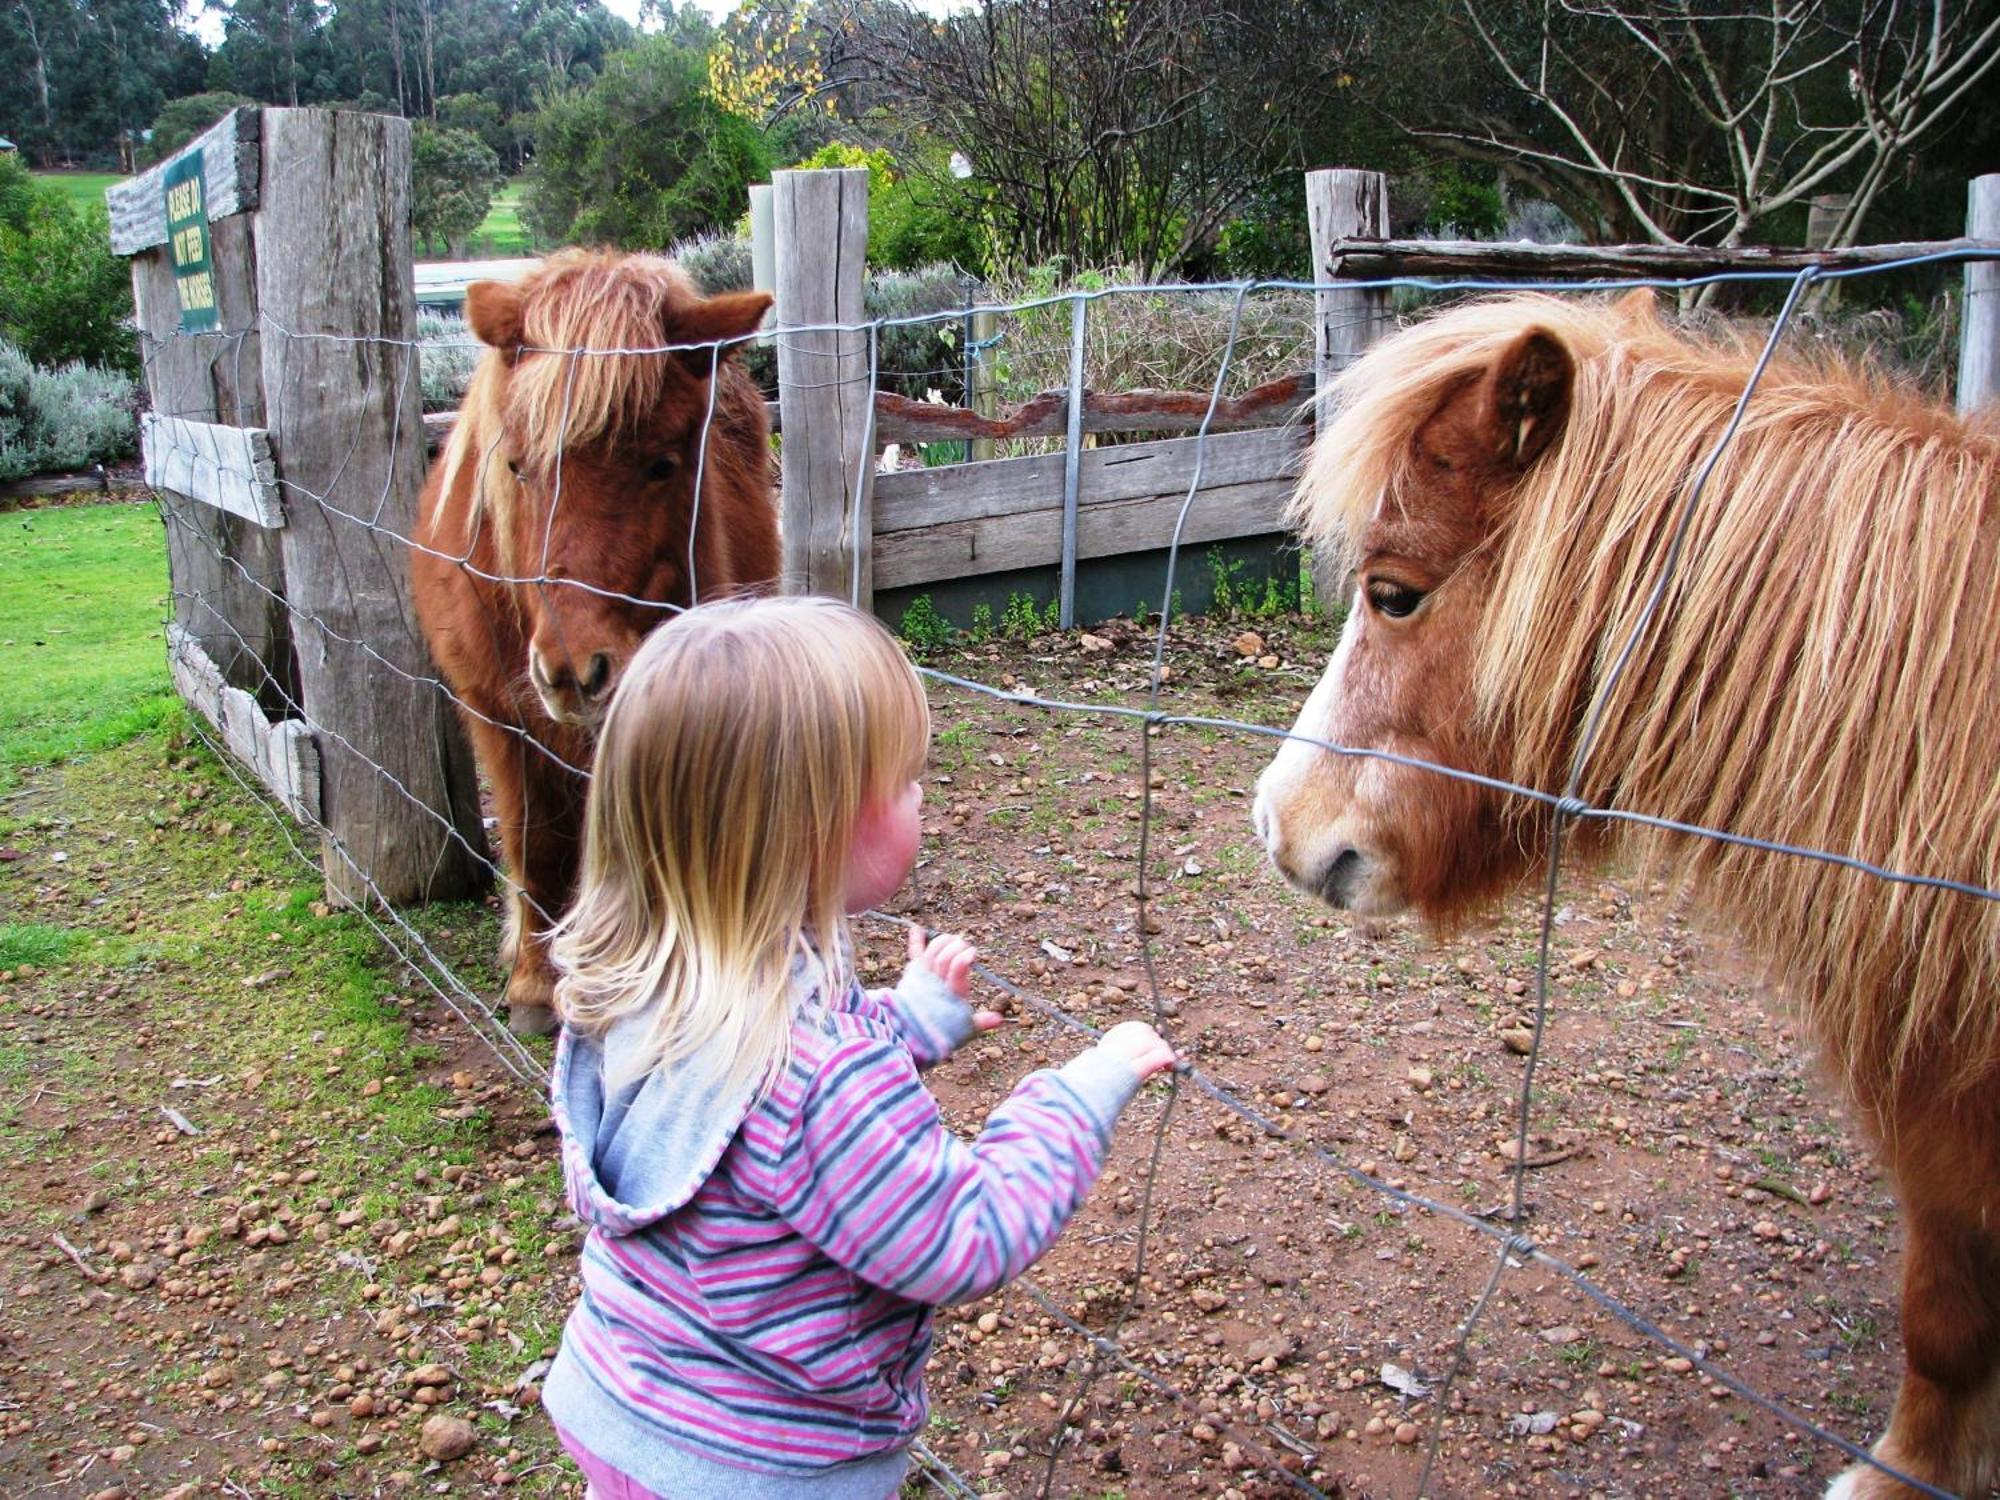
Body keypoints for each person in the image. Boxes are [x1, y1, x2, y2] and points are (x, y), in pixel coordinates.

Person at [540, 595, 1179, 1498]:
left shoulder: (643, 982)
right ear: (817, 824)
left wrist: (908, 1022)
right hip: (758, 1468)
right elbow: (964, 1234)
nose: (924, 793)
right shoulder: (817, 1075)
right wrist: (1083, 1090)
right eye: (909, 778)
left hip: (621, 1407)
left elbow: (780, 1065)